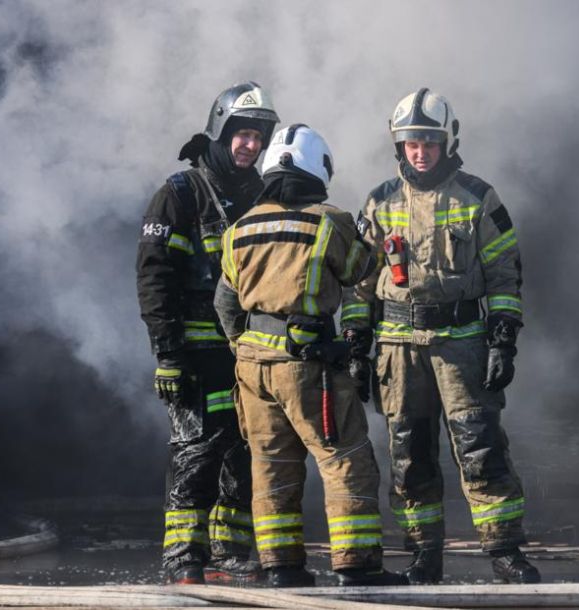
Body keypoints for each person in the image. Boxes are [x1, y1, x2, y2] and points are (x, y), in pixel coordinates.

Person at [341, 88, 540, 584]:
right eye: (410, 142)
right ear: (399, 145)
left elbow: (504, 273)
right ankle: (423, 555)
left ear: (447, 140)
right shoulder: (380, 201)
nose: (420, 151)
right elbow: (359, 281)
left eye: (428, 141)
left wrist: (502, 337)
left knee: (481, 447)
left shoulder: (477, 196)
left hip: (462, 345)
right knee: (409, 454)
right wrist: (355, 343)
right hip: (397, 347)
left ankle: (504, 551)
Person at [213, 124, 408, 588]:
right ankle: (357, 565)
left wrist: (245, 345)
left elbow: (224, 301)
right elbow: (363, 270)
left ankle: (282, 568)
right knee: (345, 459)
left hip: (252, 368)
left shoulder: (240, 228)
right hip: (309, 366)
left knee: (271, 465)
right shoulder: (330, 221)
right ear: (318, 168)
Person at [136, 81, 279, 584]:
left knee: (242, 448)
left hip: (246, 351)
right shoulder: (180, 194)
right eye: (241, 133)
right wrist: (168, 354)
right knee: (196, 451)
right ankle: (183, 558)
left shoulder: (262, 196)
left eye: (258, 136)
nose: (250, 145)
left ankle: (229, 551)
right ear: (220, 131)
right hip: (194, 353)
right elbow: (155, 278)